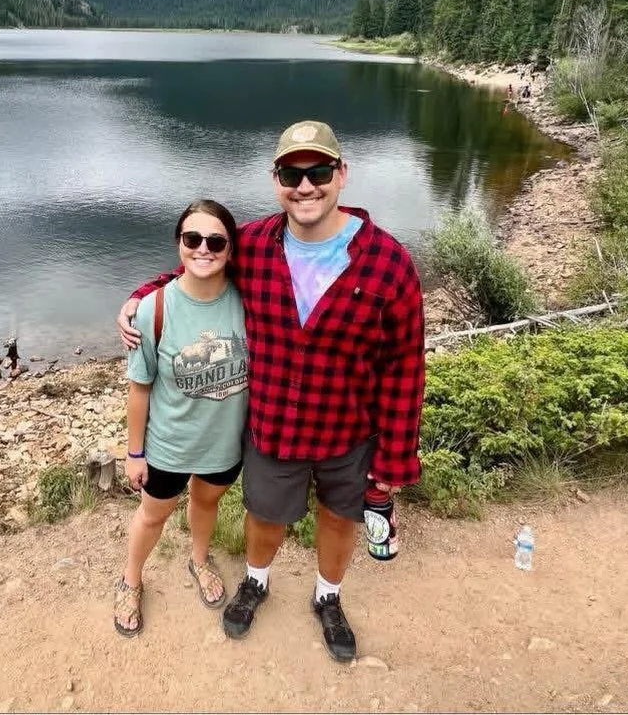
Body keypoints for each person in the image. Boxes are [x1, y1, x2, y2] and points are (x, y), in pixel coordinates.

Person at [117, 121, 425, 662]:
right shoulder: (256, 245)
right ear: (276, 179)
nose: (305, 187)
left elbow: (404, 367)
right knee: (264, 514)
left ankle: (328, 597)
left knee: (339, 517)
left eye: (319, 172)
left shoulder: (389, 263)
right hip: (273, 426)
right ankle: (256, 581)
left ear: (342, 175)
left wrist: (393, 460)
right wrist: (141, 297)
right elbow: (198, 267)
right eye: (292, 173)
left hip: (349, 432)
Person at [113, 199, 249, 638]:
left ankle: (199, 559)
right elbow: (140, 387)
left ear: (230, 248)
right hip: (169, 445)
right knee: (153, 515)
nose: (203, 249)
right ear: (179, 244)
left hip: (225, 443)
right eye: (193, 239)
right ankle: (130, 579)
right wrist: (135, 453)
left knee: (206, 503)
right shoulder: (154, 309)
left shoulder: (247, 301)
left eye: (215, 240)